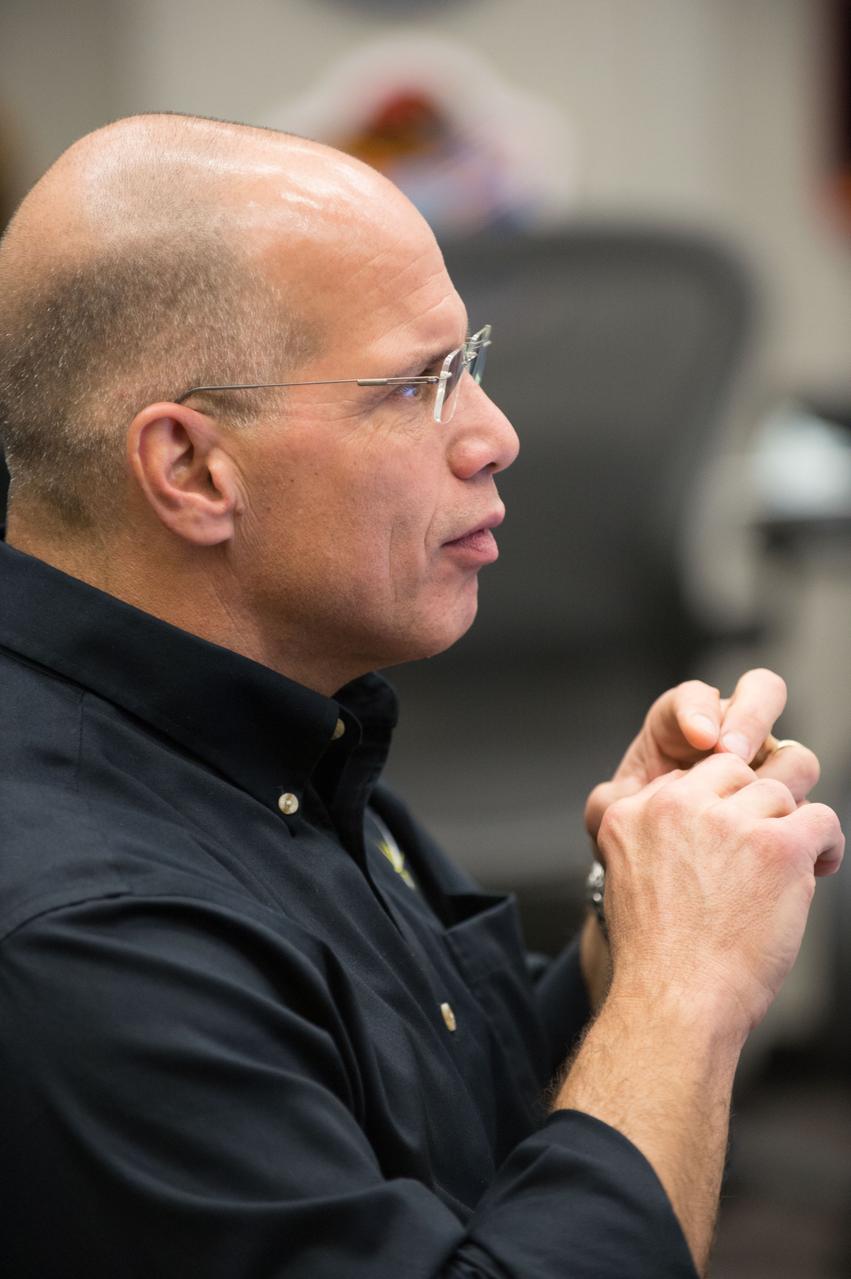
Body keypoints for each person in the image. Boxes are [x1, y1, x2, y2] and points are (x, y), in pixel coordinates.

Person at [0, 114, 843, 1279]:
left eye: (471, 364)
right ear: (192, 468)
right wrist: (681, 992)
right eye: (414, 387)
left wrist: (641, 905)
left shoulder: (274, 737)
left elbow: (460, 1118)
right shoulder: (91, 938)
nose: (492, 435)